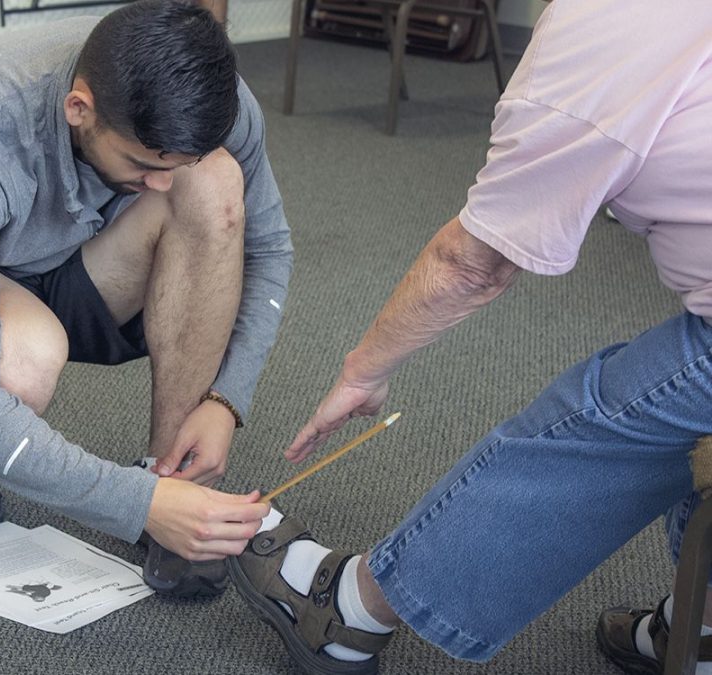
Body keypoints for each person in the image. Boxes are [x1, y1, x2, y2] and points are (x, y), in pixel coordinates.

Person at [227, 0, 712, 672]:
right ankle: (702, 629)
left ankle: (349, 610)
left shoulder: (598, 29)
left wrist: (364, 371)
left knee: (602, 413)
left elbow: (472, 264)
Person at [0, 0, 284, 598]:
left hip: (82, 248)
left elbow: (268, 249)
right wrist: (133, 504)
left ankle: (174, 476)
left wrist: (225, 400)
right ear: (79, 108)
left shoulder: (211, 95)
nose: (161, 182)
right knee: (21, 362)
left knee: (214, 182)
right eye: (144, 164)